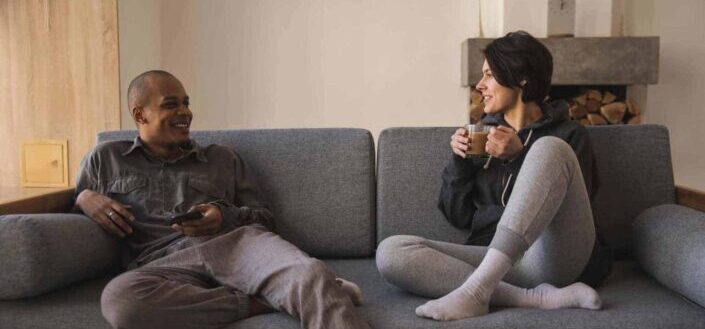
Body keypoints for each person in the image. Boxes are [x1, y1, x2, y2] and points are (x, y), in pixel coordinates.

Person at [74, 70, 370, 329]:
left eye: (186, 103)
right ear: (140, 115)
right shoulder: (105, 158)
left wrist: (223, 214)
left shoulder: (221, 158)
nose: (185, 112)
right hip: (164, 263)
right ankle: (262, 302)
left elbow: (265, 218)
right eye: (171, 104)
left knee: (311, 273)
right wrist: (84, 198)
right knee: (120, 300)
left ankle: (306, 291)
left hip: (238, 245)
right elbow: (72, 208)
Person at [375, 31, 612, 321]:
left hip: (552, 256)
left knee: (550, 148)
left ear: (521, 77)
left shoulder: (568, 134)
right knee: (392, 251)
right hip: (496, 262)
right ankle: (530, 298)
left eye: (489, 75)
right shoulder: (480, 134)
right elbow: (458, 216)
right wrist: (459, 161)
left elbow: (572, 212)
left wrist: (520, 155)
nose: (479, 85)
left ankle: (476, 292)